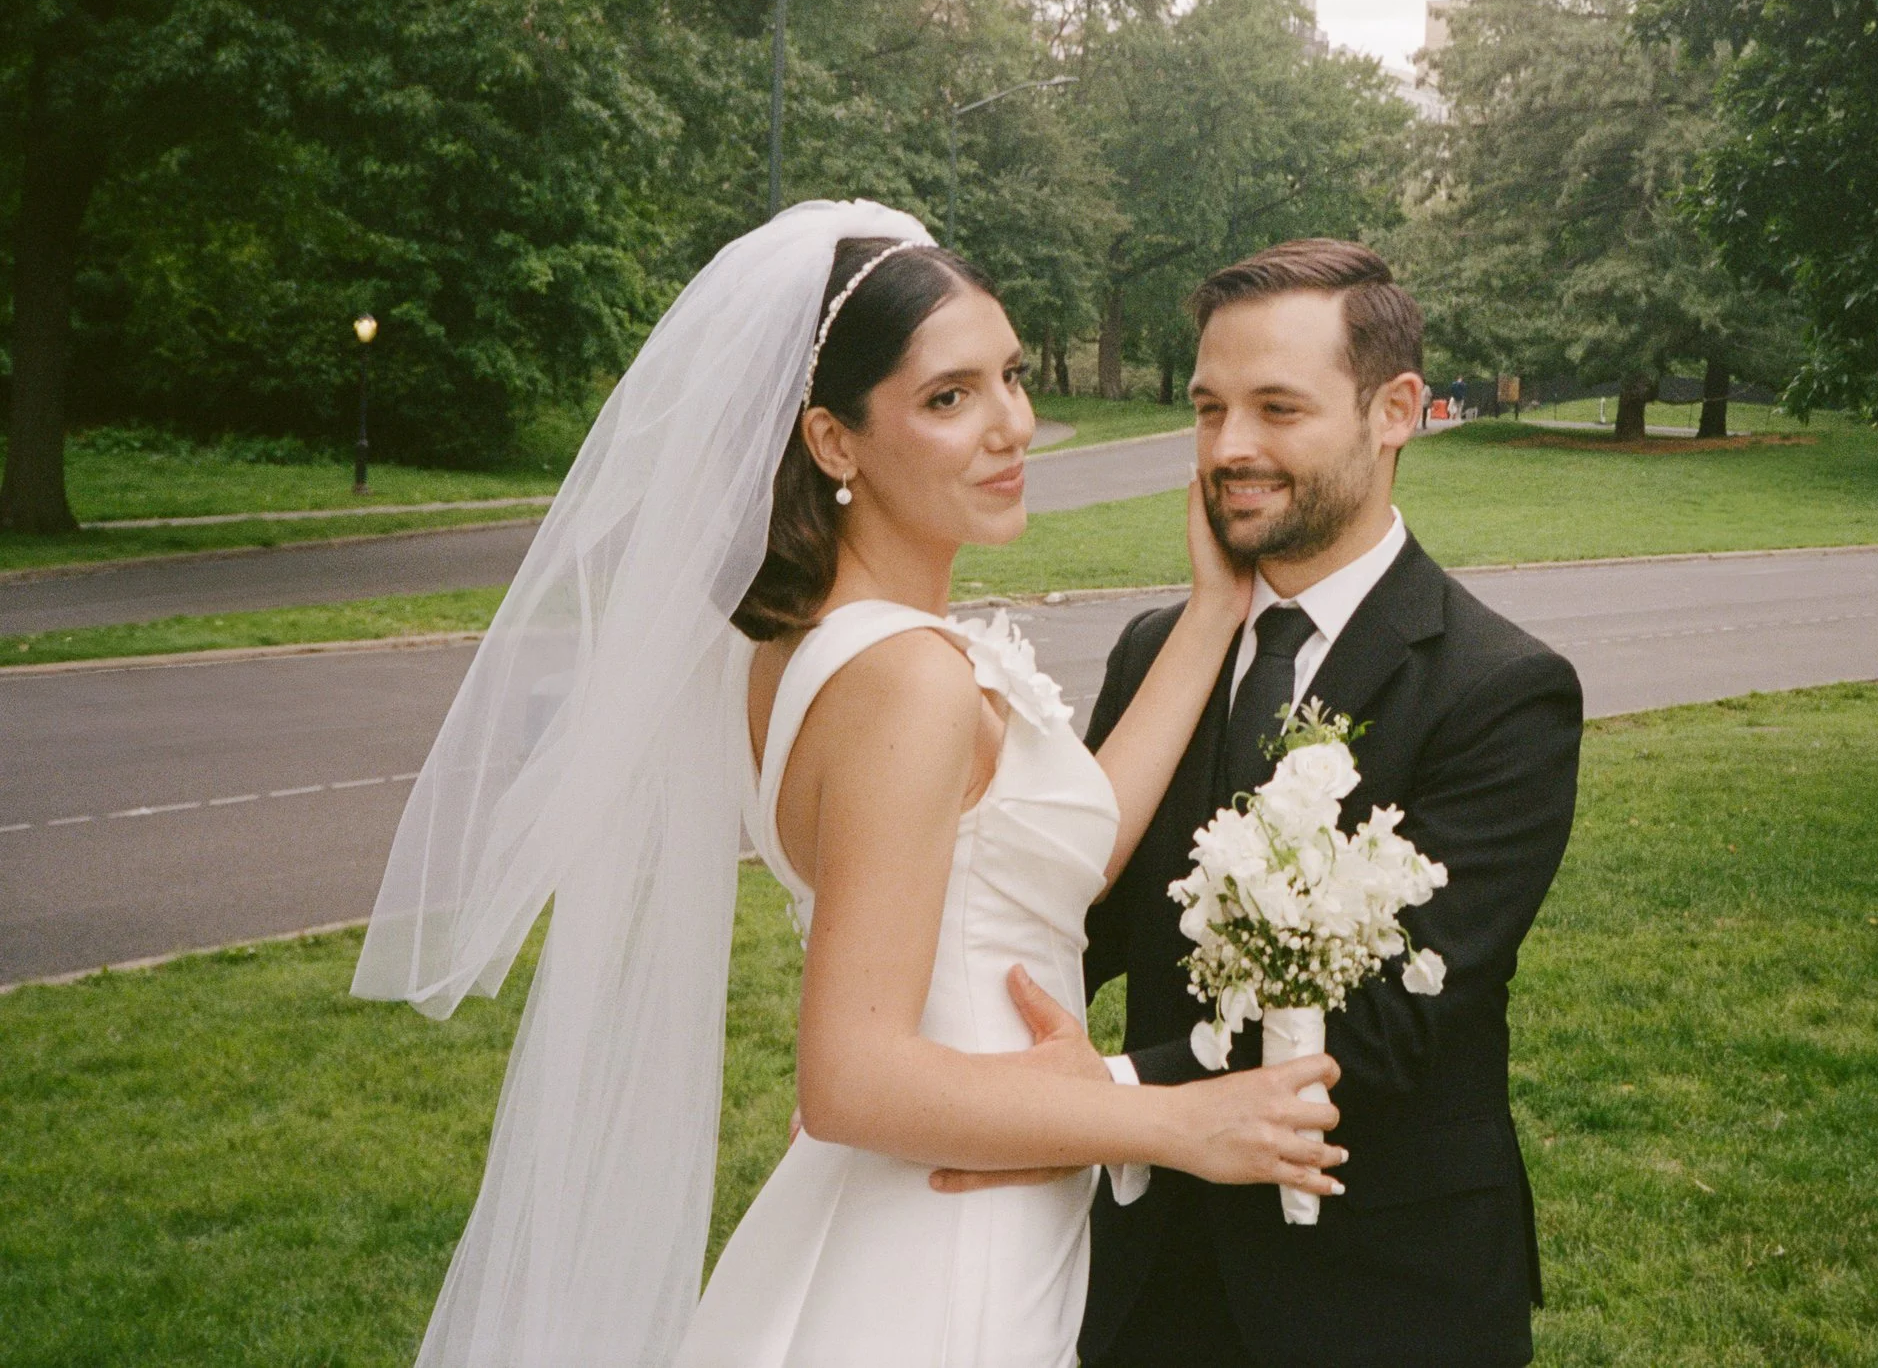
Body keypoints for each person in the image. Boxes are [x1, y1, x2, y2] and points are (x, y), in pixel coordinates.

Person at [354, 201, 1344, 1368]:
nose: (1010, 426)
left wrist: (1212, 613)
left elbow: (1055, 859)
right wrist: (1175, 1119)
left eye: (1011, 378)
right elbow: (851, 1074)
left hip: (937, 1209)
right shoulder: (906, 682)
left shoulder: (823, 644)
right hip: (941, 1245)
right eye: (947, 398)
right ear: (833, 441)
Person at [935, 240, 1584, 1368]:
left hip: (1378, 1289)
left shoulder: (1497, 689)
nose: (1230, 449)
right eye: (1207, 408)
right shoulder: (1158, 651)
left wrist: (1106, 1097)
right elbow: (1072, 917)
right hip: (1141, 1279)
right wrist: (936, 1063)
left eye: (1277, 409)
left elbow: (1394, 1019)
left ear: (1395, 411)